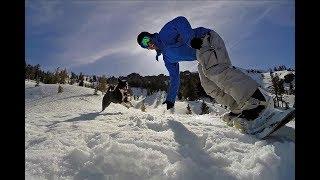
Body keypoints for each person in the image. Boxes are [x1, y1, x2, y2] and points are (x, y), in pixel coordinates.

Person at [137, 16, 275, 133]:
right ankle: (238, 107)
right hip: (201, 55)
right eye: (144, 46)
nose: (148, 45)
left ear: (150, 35)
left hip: (205, 40)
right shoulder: (167, 59)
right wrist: (170, 99)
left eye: (146, 40)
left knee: (216, 71)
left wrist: (190, 39)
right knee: (208, 85)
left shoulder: (163, 35)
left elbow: (180, 21)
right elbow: (174, 78)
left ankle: (258, 101)